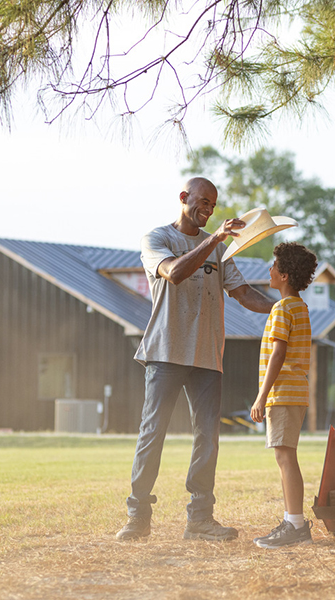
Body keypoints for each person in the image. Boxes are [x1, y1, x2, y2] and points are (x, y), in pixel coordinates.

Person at [116, 177, 275, 542]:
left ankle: (200, 519)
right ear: (184, 198)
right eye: (203, 201)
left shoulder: (220, 251)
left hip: (207, 355)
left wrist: (284, 308)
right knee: (152, 433)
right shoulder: (157, 239)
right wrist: (215, 238)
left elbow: (243, 292)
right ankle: (138, 516)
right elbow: (174, 273)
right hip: (166, 352)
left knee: (208, 436)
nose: (208, 209)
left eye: (213, 205)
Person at [249, 242, 319, 549]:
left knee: (285, 457)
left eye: (274, 266)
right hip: (294, 392)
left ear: (285, 276)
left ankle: (295, 524)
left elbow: (278, 353)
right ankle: (292, 520)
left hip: (283, 392)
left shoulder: (282, 308)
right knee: (284, 456)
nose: (270, 271)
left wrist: (261, 396)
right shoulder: (299, 307)